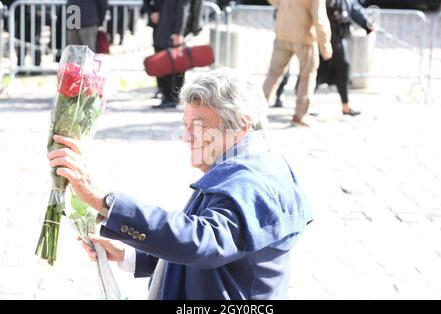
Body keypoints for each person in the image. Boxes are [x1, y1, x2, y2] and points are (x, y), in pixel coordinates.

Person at [48, 68, 312, 300]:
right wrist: (130, 256)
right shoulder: (242, 165)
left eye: (197, 126)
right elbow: (216, 255)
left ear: (241, 126)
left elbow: (201, 241)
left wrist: (105, 200)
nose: (186, 137)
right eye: (185, 125)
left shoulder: (256, 181)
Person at [262, 0, 333, 127]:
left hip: (283, 31)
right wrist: (325, 44)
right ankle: (300, 115)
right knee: (307, 76)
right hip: (304, 35)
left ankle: (257, 110)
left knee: (273, 74)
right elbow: (319, 16)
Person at [316, 0, 375, 116]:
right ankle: (301, 107)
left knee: (338, 69)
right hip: (324, 37)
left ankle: (345, 106)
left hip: (334, 38)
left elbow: (354, 9)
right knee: (320, 70)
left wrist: (367, 24)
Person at [149, 0, 191, 109]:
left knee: (174, 64)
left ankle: (172, 98)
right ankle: (166, 96)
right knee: (162, 62)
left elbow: (183, 8)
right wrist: (150, 12)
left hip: (173, 30)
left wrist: (179, 32)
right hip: (160, 28)